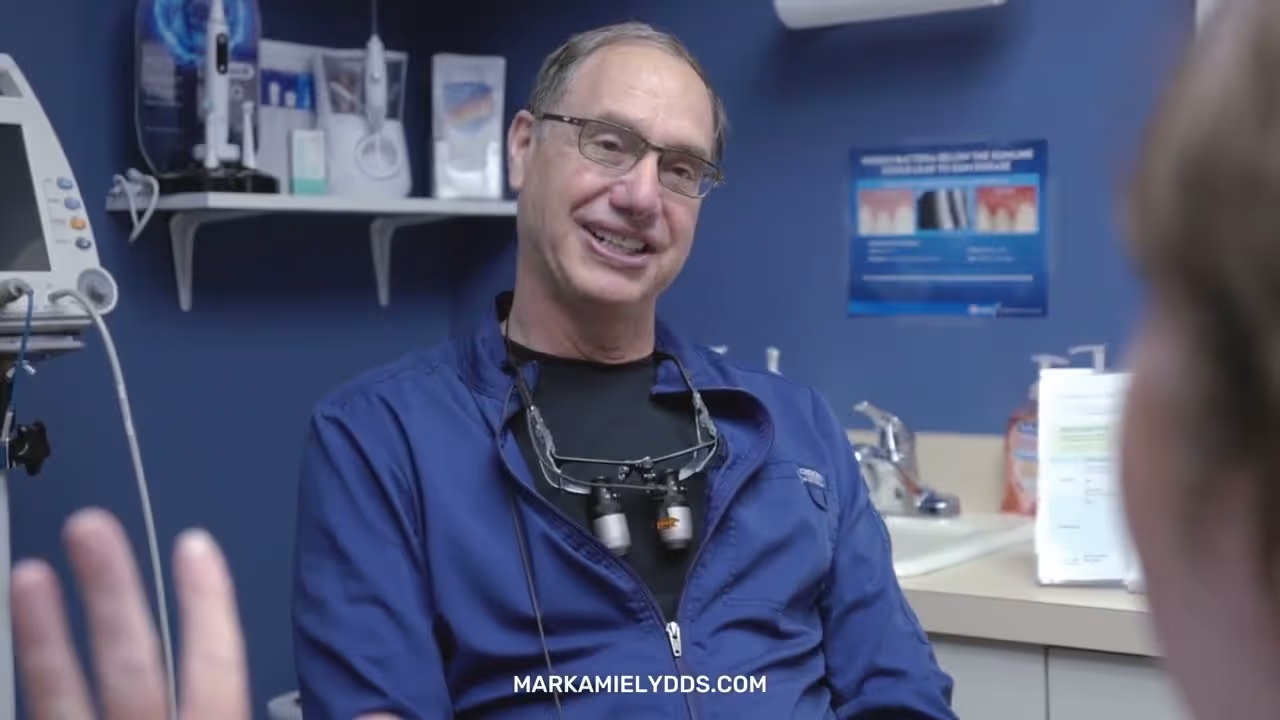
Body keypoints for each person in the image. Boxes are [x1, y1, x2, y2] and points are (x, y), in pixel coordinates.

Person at [284, 20, 954, 720]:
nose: (641, 197)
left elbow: (900, 692)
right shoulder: (381, 438)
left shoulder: (794, 427)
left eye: (681, 169)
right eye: (608, 144)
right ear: (522, 148)